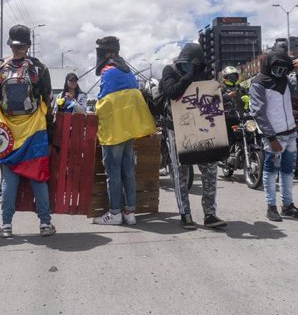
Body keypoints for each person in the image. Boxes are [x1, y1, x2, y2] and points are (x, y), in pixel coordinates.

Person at [0, 25, 56, 237]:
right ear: (28, 45)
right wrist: (50, 132)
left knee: (9, 180)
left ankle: (6, 226)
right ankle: (45, 224)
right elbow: (49, 101)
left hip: (8, 133)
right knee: (38, 177)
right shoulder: (39, 68)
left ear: (11, 43)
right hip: (34, 131)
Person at [159, 43, 228, 229]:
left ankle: (210, 214)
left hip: (202, 128)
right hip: (177, 129)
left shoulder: (203, 74)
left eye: (192, 65)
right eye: (186, 64)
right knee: (180, 173)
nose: (188, 67)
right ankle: (185, 214)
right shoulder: (170, 71)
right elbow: (172, 92)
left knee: (210, 170)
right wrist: (189, 76)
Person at [93, 36, 155, 225]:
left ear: (106, 53)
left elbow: (103, 104)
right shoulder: (127, 71)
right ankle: (130, 212)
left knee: (113, 173)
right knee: (128, 170)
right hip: (129, 130)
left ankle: (114, 213)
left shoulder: (108, 71)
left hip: (114, 132)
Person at [249, 49, 298, 221]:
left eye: (284, 67)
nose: (280, 71)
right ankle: (271, 207)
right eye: (277, 67)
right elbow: (258, 113)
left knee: (288, 172)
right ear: (268, 64)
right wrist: (271, 137)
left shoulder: (286, 80)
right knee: (270, 172)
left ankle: (288, 206)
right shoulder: (258, 83)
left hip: (290, 133)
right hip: (274, 136)